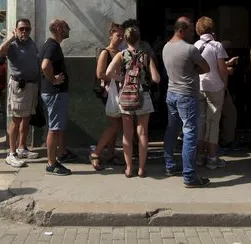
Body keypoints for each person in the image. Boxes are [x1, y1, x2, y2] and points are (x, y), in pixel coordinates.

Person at [106, 26, 160, 178]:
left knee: (127, 134)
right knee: (142, 133)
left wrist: (122, 79)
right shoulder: (146, 55)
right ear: (139, 39)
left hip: (126, 95)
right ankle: (142, 168)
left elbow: (109, 72)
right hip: (143, 94)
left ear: (126, 39)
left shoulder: (121, 55)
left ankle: (129, 168)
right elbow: (156, 78)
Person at [162, 17, 211, 188]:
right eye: (190, 31)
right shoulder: (190, 49)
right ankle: (189, 175)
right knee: (190, 133)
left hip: (171, 93)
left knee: (171, 129)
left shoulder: (166, 47)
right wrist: (193, 69)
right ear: (182, 30)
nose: (193, 34)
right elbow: (206, 68)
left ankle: (169, 165)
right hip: (187, 95)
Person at [0, 18, 41, 168]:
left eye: (27, 29)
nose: (24, 32)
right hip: (19, 86)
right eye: (21, 29)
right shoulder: (13, 45)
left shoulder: (31, 43)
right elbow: (0, 51)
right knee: (16, 120)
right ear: (16, 30)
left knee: (26, 118)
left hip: (31, 85)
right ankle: (11, 154)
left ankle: (21, 147)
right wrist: (10, 38)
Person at [40, 19, 76, 176]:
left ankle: (57, 157)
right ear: (59, 28)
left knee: (55, 128)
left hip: (54, 93)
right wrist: (53, 80)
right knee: (54, 129)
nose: (69, 30)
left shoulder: (51, 45)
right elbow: (45, 65)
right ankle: (51, 163)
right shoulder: (52, 46)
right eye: (67, 27)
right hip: (54, 93)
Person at [193, 17, 229, 169]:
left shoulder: (195, 45)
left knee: (200, 121)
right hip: (215, 86)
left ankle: (200, 156)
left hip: (199, 86)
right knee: (213, 122)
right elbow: (222, 69)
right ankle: (213, 157)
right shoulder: (217, 45)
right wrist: (225, 85)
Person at [90, 22, 124, 171]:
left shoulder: (120, 52)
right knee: (114, 125)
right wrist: (117, 78)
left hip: (118, 92)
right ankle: (96, 153)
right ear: (111, 35)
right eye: (118, 35)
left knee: (117, 124)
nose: (120, 38)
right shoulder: (106, 52)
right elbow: (100, 73)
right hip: (108, 92)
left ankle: (111, 153)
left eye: (122, 36)